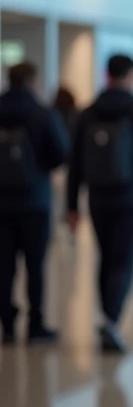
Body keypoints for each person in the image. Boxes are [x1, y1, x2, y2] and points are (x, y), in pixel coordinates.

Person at [67, 54, 133, 353]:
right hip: (127, 199)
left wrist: (71, 205)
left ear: (107, 75)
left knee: (106, 257)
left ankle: (107, 317)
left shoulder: (88, 113)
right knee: (122, 260)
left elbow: (75, 163)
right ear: (130, 75)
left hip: (97, 198)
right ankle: (111, 319)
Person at [0, 62, 69, 345]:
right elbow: (61, 152)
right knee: (35, 265)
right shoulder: (41, 113)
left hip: (1, 203)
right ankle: (35, 324)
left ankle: (6, 325)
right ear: (32, 81)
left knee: (4, 266)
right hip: (35, 201)